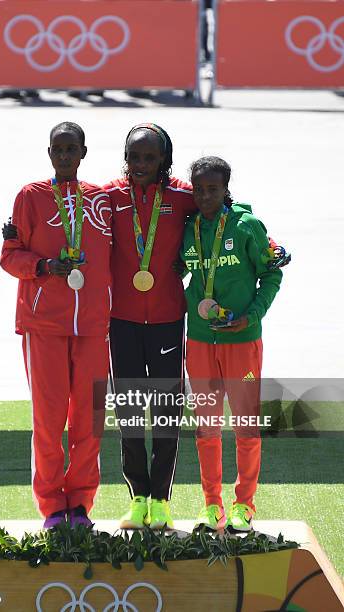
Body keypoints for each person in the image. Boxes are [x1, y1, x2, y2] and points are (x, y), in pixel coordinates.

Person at [0, 121, 112, 529]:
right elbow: (10, 256)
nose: (64, 156)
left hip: (93, 327)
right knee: (48, 420)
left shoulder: (102, 200)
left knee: (89, 419)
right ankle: (52, 507)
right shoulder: (30, 197)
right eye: (57, 149)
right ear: (49, 153)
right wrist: (45, 267)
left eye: (71, 149)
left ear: (84, 153)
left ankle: (80, 504)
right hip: (42, 324)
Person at [181, 156, 283, 532]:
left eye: (213, 189)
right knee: (206, 427)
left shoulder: (247, 226)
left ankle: (244, 504)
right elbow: (175, 269)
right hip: (200, 340)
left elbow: (271, 275)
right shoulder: (187, 228)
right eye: (199, 190)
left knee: (245, 426)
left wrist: (251, 315)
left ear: (226, 189)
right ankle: (212, 506)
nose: (205, 197)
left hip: (242, 341)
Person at [104, 123, 196, 530]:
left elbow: (222, 213)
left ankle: (161, 498)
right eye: (134, 156)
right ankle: (137, 496)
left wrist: (190, 258)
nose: (140, 165)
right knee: (127, 409)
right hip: (120, 319)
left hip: (166, 319)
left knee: (164, 410)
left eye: (149, 157)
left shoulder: (182, 197)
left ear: (164, 159)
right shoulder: (107, 196)